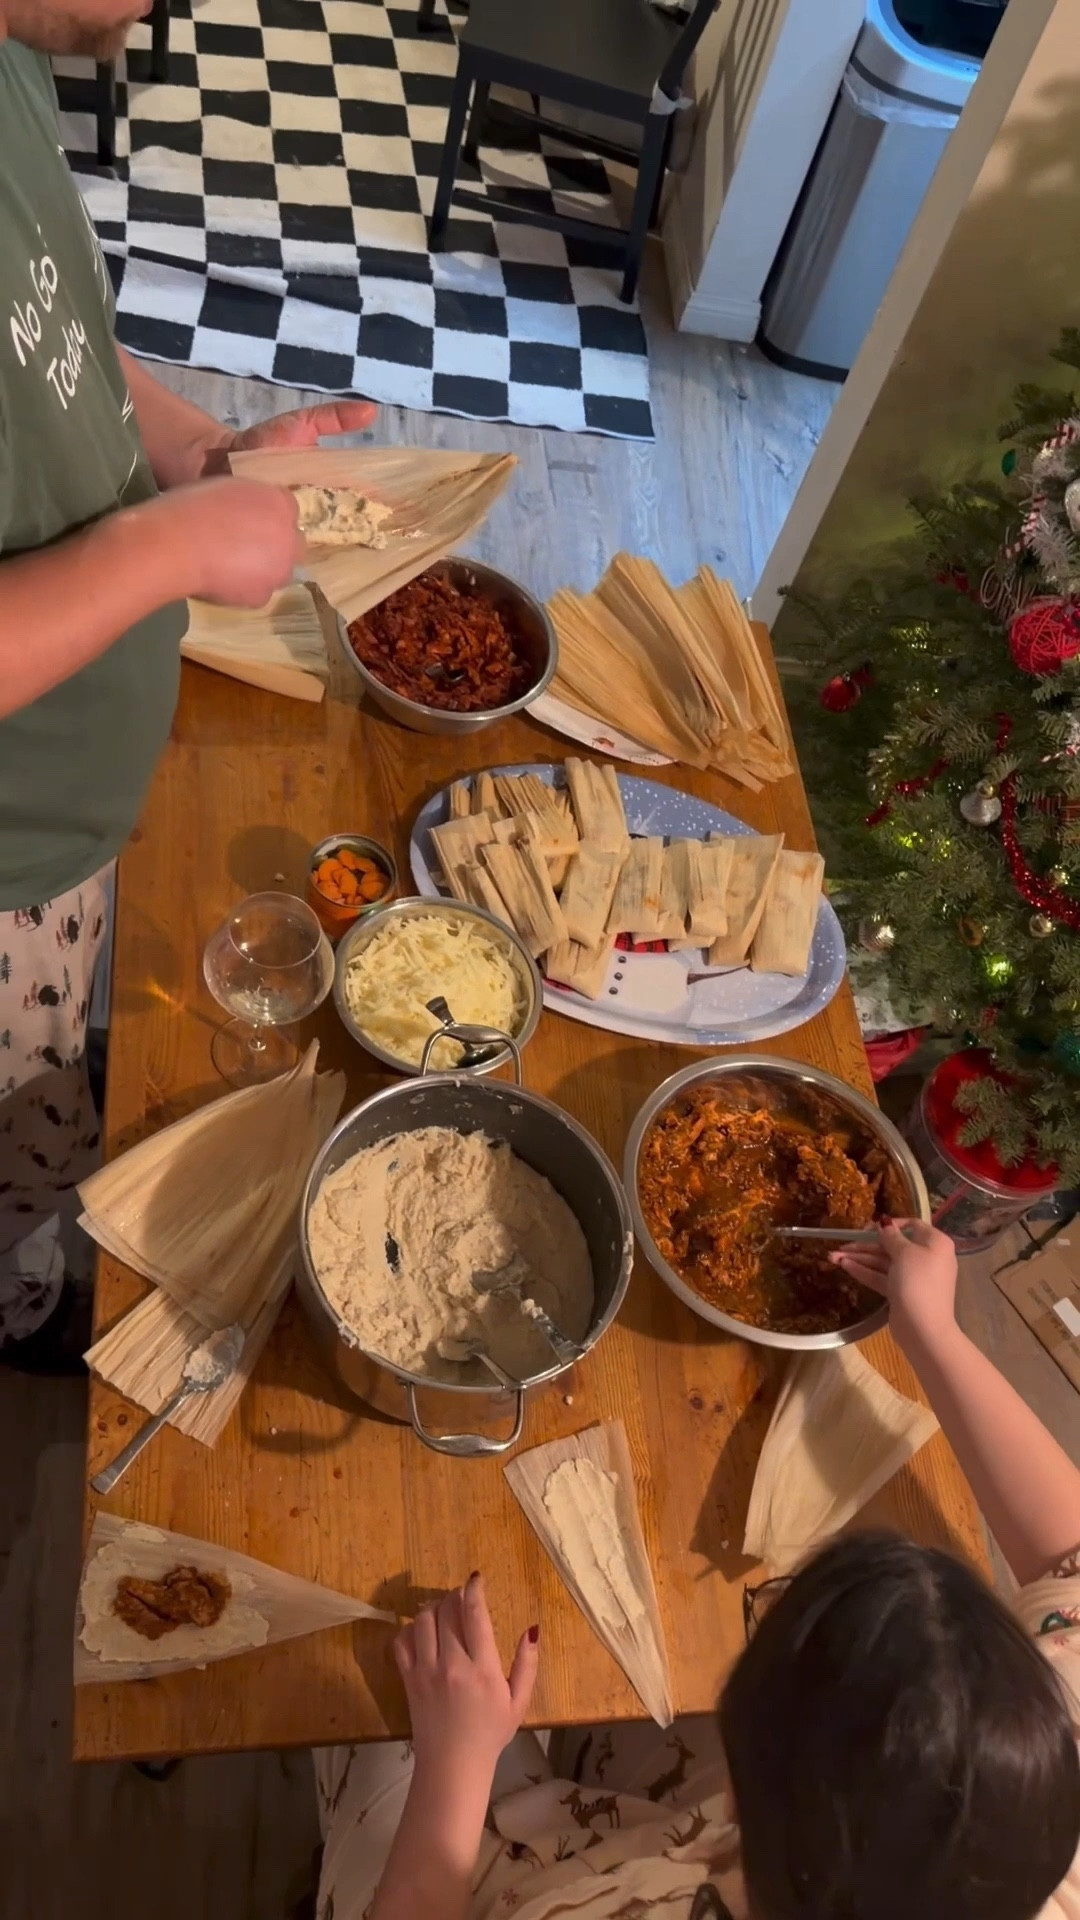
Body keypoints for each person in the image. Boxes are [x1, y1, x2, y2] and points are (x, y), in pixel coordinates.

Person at [313, 1222, 1080, 1920]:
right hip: (673, 1823)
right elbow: (1069, 1553)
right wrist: (934, 1332)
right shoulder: (1041, 1785)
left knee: (380, 1682)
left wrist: (455, 1761)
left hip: (492, 1891)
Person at [0, 0, 376, 1369]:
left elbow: (61, 346)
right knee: (19, 1151)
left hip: (64, 812)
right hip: (8, 872)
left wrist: (206, 456)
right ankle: (22, 1314)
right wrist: (162, 550)